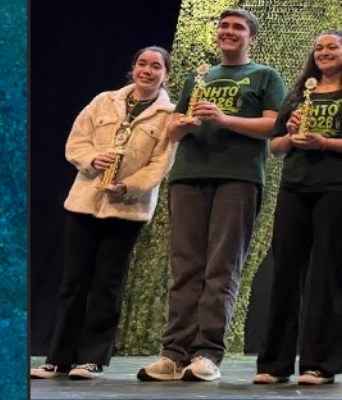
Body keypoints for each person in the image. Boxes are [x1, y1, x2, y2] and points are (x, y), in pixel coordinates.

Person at [139, 8, 286, 383]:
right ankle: (173, 354)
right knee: (185, 267)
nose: (229, 31)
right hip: (188, 175)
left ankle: (207, 353)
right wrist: (180, 125)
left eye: (238, 27)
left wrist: (224, 119)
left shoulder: (265, 76)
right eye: (224, 26)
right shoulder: (198, 75)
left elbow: (274, 125)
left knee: (221, 268)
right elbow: (174, 125)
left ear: (252, 38)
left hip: (237, 178)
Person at [31, 46, 179, 381]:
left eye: (156, 66)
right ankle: (58, 358)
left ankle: (92, 358)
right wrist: (91, 159)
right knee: (73, 281)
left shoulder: (167, 115)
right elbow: (76, 142)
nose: (147, 70)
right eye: (142, 63)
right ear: (133, 68)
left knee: (107, 284)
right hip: (84, 201)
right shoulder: (104, 101)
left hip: (126, 208)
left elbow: (160, 164)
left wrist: (128, 186)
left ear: (165, 74)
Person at [251, 30, 342, 386]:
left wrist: (325, 141)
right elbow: (276, 147)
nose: (324, 52)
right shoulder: (297, 96)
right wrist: (291, 134)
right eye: (319, 48)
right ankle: (275, 364)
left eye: (332, 47)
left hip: (336, 189)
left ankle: (319, 364)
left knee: (327, 275)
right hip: (294, 188)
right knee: (285, 274)